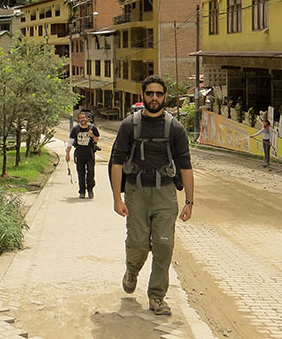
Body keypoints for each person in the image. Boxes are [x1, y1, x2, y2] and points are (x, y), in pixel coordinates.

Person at [110, 75, 194, 317]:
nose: (154, 98)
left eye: (158, 94)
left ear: (165, 97)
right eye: (150, 93)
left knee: (164, 245)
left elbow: (186, 166)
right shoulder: (129, 126)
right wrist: (118, 198)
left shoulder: (175, 128)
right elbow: (117, 163)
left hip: (165, 194)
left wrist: (189, 201)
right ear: (143, 96)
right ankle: (132, 270)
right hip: (136, 193)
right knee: (137, 243)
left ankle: (156, 296)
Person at [66, 111, 99, 199]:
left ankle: (90, 189)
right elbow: (70, 141)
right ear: (78, 120)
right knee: (81, 173)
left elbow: (97, 140)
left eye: (84, 117)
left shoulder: (92, 128)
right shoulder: (75, 129)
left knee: (91, 173)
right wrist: (67, 153)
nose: (82, 119)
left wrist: (92, 136)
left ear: (87, 118)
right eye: (81, 118)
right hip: (79, 153)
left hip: (90, 154)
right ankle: (82, 191)